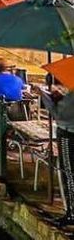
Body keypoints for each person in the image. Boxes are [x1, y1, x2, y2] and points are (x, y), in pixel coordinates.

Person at [40, 84, 74, 226]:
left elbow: (59, 114)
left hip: (69, 134)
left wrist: (45, 96)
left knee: (69, 173)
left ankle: (71, 213)